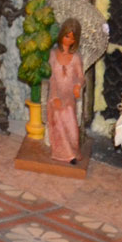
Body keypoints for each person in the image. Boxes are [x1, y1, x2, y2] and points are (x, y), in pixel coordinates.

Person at [46, 20, 85, 164]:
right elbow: (52, 79)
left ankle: (73, 151)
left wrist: (78, 86)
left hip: (69, 95)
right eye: (67, 36)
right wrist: (55, 96)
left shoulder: (76, 58)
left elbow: (81, 77)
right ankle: (65, 153)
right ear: (62, 35)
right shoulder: (52, 54)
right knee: (57, 111)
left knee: (68, 110)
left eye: (72, 38)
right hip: (55, 93)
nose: (69, 40)